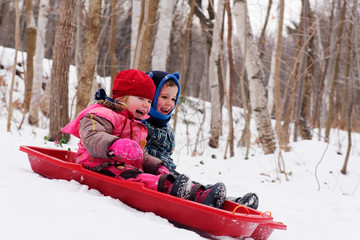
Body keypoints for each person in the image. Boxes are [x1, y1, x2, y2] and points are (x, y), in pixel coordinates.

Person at [60, 69, 191, 199]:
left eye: (149, 101)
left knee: (144, 176)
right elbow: (92, 137)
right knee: (140, 179)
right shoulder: (101, 114)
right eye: (141, 98)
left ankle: (198, 193)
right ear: (122, 97)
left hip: (124, 168)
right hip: (99, 166)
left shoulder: (136, 124)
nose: (146, 105)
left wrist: (156, 166)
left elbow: (141, 154)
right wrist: (115, 145)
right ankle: (169, 188)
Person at [143, 70, 259, 209]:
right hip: (153, 174)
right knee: (188, 187)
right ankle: (207, 197)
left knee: (192, 184)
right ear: (151, 96)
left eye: (173, 99)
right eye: (164, 97)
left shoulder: (167, 128)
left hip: (168, 172)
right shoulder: (142, 124)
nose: (169, 103)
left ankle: (231, 202)